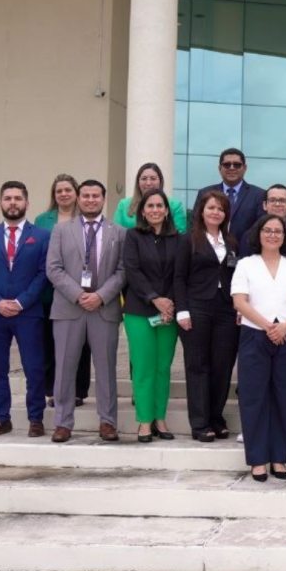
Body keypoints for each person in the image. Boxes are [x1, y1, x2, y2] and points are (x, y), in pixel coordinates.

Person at [45, 179, 127, 443]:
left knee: (106, 368)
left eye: (96, 196)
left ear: (104, 199)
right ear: (78, 199)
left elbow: (123, 271)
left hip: (104, 309)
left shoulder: (119, 232)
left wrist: (101, 296)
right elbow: (53, 268)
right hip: (69, 308)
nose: (91, 200)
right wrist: (79, 295)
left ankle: (108, 421)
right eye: (86, 196)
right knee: (65, 368)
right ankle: (63, 423)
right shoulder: (60, 230)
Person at [232, 213, 286, 481]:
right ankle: (257, 459)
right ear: (259, 233)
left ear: (284, 236)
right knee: (254, 397)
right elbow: (240, 302)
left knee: (285, 398)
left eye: (278, 231)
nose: (273, 235)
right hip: (255, 336)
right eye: (268, 230)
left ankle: (279, 458)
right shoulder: (245, 265)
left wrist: (285, 327)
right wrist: (268, 326)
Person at [0, 182, 50, 438]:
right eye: (8, 198)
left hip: (28, 313)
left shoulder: (41, 236)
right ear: (0, 203)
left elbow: (43, 274)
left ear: (27, 203)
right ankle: (1, 418)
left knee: (34, 367)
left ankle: (35, 418)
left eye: (18, 198)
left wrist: (20, 302)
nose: (13, 202)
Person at [174, 191, 240, 443]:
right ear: (201, 211)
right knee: (198, 365)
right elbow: (178, 277)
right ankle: (200, 423)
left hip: (226, 309)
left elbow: (236, 278)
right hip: (196, 307)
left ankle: (216, 417)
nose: (216, 212)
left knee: (223, 366)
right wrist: (182, 310)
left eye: (221, 209)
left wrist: (239, 309)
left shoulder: (232, 243)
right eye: (211, 207)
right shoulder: (188, 240)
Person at [122, 189, 181, 443]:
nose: (155, 210)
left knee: (163, 367)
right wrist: (155, 299)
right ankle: (144, 421)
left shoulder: (179, 239)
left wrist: (168, 305)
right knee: (144, 366)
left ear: (167, 210)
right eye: (150, 206)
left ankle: (160, 417)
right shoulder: (133, 236)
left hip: (168, 312)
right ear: (143, 211)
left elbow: (180, 275)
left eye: (160, 205)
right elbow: (132, 271)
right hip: (139, 310)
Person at [35, 174, 91, 408]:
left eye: (68, 190)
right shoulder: (42, 220)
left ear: (76, 193)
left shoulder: (86, 218)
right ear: (53, 194)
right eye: (59, 191)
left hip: (81, 291)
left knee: (81, 344)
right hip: (49, 291)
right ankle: (52, 390)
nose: (64, 194)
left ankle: (78, 390)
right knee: (50, 343)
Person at [198, 148, 265, 255]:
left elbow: (261, 228)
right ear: (220, 168)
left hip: (247, 256)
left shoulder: (259, 195)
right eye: (227, 164)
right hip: (209, 256)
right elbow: (196, 225)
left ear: (245, 168)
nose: (232, 168)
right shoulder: (204, 193)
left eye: (237, 164)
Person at [114, 163, 188, 233]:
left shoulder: (175, 205)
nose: (148, 183)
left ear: (160, 181)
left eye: (153, 178)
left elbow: (180, 234)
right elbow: (116, 233)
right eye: (144, 178)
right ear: (138, 182)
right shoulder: (123, 204)